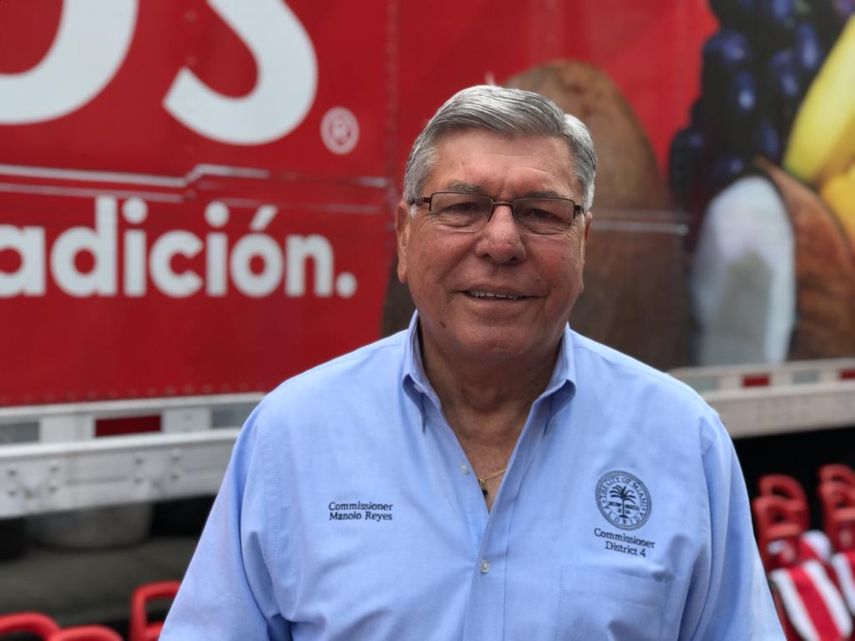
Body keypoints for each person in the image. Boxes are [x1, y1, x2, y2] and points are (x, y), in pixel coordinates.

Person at [160, 85, 784, 640]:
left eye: (542, 213)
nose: (502, 242)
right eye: (462, 207)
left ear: (583, 245)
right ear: (405, 237)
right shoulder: (292, 434)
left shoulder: (681, 439)